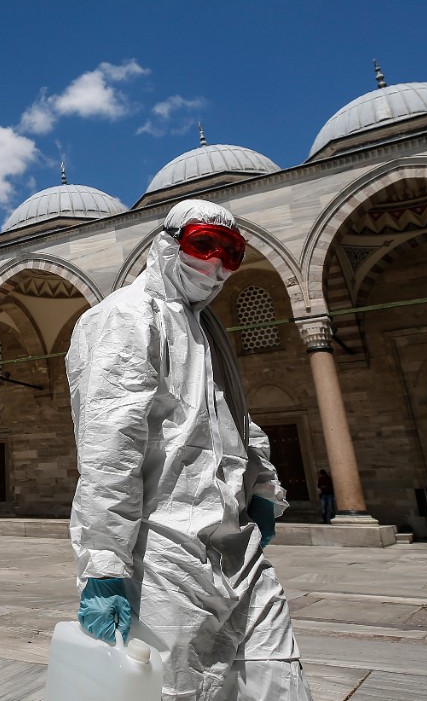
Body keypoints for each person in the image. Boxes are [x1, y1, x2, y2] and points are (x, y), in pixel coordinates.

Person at [66, 199, 313, 701]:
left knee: (276, 678)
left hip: (237, 544)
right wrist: (105, 565)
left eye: (231, 253)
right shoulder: (124, 317)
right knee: (181, 689)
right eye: (203, 246)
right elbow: (110, 447)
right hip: (166, 550)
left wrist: (264, 486)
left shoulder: (204, 328)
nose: (216, 265)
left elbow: (234, 417)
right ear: (168, 242)